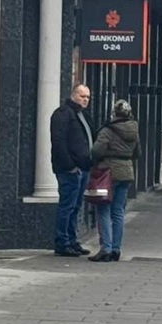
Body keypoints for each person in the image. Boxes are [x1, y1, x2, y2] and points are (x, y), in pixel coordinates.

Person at [88, 100, 140, 262]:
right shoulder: (134, 130)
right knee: (118, 211)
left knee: (103, 209)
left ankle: (106, 248)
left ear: (113, 114)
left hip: (108, 172)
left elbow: (96, 150)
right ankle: (116, 249)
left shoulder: (107, 130)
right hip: (126, 172)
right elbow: (137, 152)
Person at [50, 84, 94, 257]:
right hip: (70, 169)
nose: (85, 100)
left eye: (88, 97)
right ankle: (62, 242)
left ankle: (72, 240)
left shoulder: (82, 115)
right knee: (67, 206)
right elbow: (58, 141)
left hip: (82, 168)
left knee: (75, 206)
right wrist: (70, 166)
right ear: (73, 95)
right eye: (82, 96)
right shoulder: (63, 114)